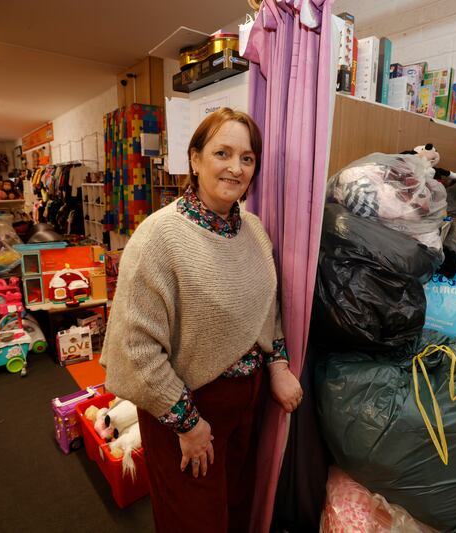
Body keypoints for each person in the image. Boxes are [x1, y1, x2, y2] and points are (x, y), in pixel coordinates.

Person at [100, 108, 302, 532]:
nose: (235, 167)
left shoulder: (253, 230)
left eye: (247, 158)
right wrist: (188, 424)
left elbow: (268, 307)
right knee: (194, 521)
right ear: (194, 159)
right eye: (222, 153)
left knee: (237, 511)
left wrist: (277, 364)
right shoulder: (160, 236)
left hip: (246, 405)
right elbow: (135, 348)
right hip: (187, 410)